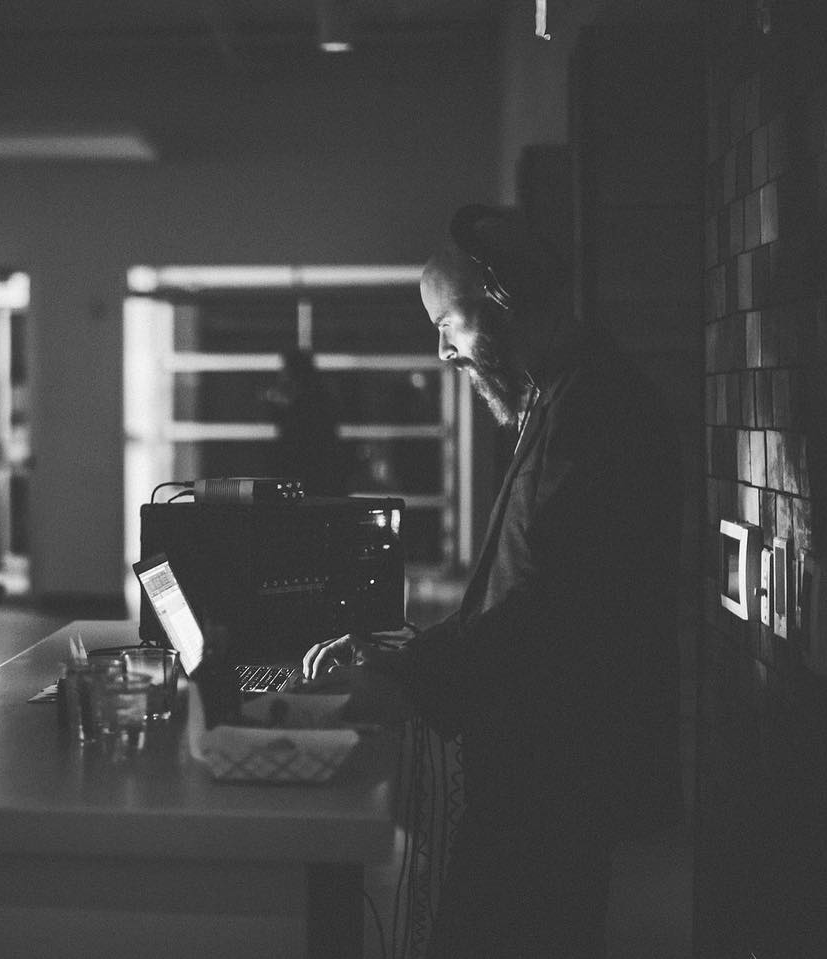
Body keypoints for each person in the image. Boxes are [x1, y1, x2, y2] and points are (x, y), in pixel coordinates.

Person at [303, 205, 683, 958]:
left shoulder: (594, 412)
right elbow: (520, 587)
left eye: (449, 322)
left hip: (552, 780)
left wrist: (408, 678)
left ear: (505, 301)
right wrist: (406, 652)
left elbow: (547, 607)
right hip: (547, 769)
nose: (443, 351)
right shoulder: (568, 397)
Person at [263, 348, 345, 496]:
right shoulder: (320, 399)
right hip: (322, 474)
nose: (281, 374)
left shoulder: (302, 406)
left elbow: (294, 444)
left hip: (308, 475)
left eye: (285, 369)